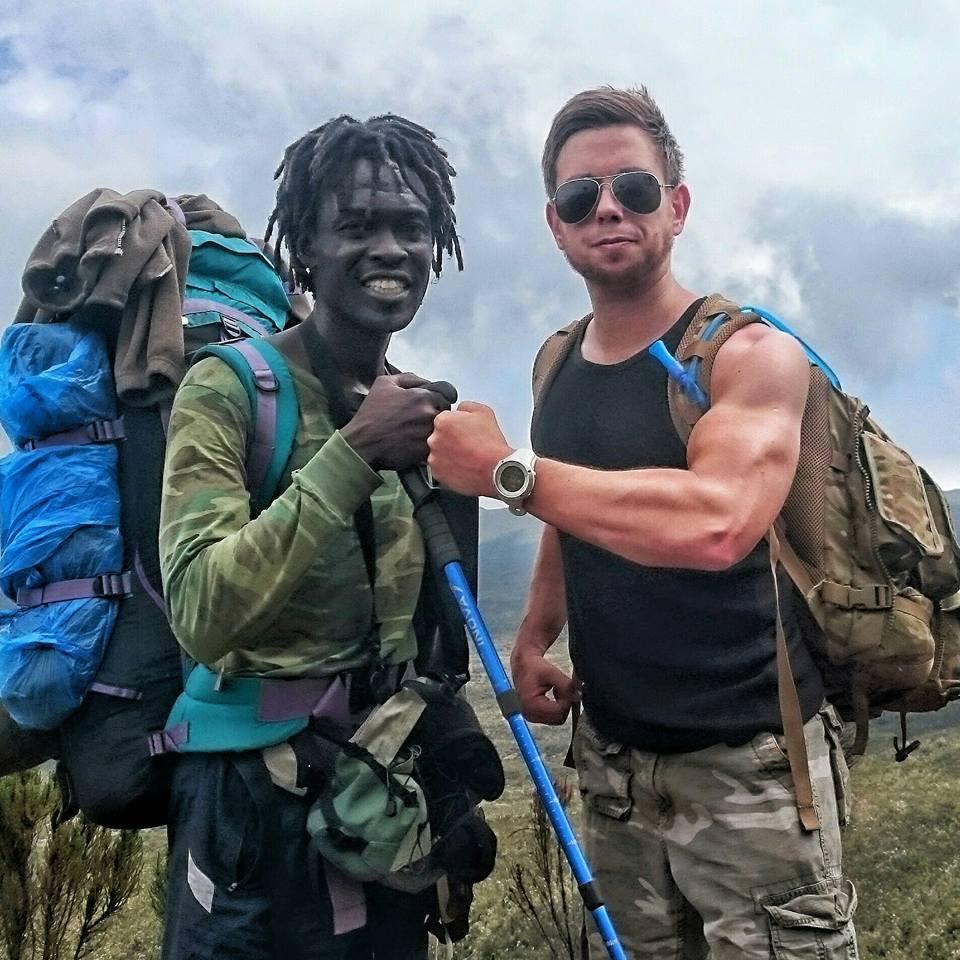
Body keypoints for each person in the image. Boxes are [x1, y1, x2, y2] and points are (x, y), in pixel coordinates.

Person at [426, 86, 858, 959]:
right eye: (582, 198)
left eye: (635, 187)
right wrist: (536, 634)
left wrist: (510, 473)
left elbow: (719, 524)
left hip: (755, 770)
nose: (609, 209)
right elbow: (575, 509)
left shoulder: (747, 355)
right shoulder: (557, 361)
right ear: (555, 224)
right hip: (615, 768)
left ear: (679, 204)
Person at [159, 114, 466, 960]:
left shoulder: (415, 403)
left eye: (411, 228)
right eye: (357, 227)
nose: (390, 250)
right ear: (305, 248)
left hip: (373, 799)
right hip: (245, 812)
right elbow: (202, 608)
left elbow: (426, 633)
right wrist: (355, 451)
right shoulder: (228, 390)